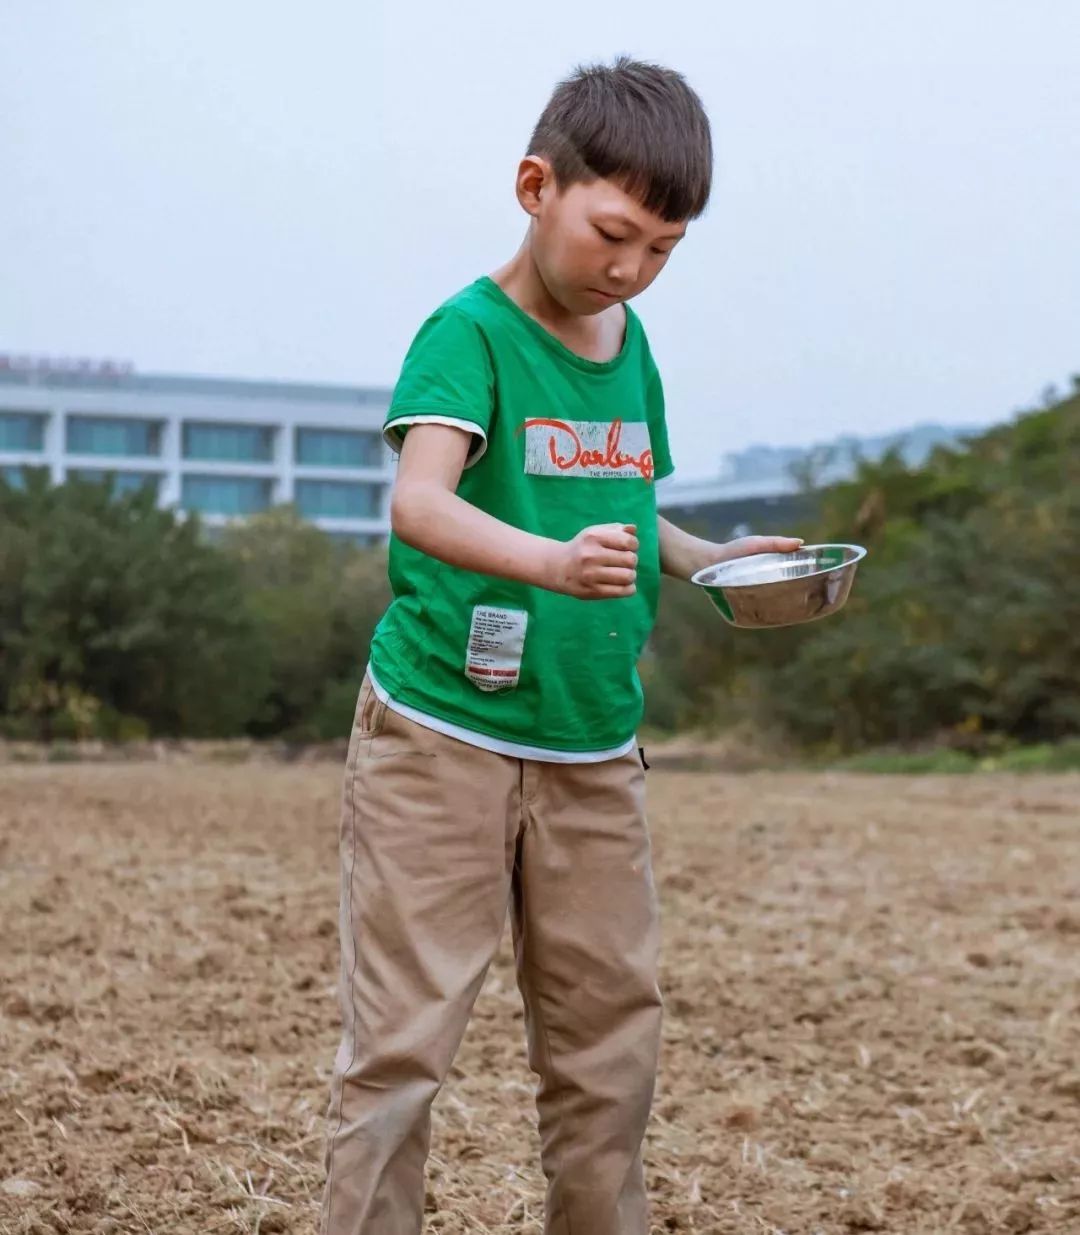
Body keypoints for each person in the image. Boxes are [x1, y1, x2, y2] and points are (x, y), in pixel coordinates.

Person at [320, 55, 802, 1235]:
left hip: (592, 747)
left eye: (663, 251)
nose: (632, 269)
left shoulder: (626, 340)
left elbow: (630, 511)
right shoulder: (467, 334)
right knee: (401, 1051)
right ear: (537, 185)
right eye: (615, 233)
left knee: (608, 1052)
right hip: (441, 737)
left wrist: (716, 560)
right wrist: (547, 563)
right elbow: (421, 504)